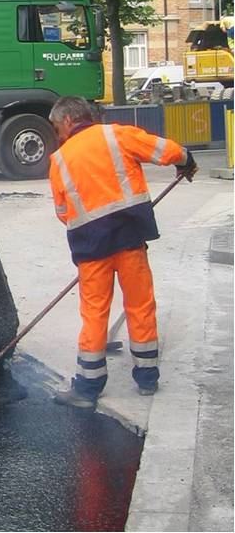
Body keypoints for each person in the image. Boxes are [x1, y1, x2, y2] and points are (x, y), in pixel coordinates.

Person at [47, 96, 197, 409]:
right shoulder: (116, 135)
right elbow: (163, 150)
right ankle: (147, 378)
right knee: (140, 304)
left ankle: (87, 388)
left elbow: (63, 211)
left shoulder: (59, 160)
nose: (57, 134)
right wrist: (185, 158)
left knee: (94, 312)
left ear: (68, 121)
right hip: (130, 237)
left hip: (91, 246)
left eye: (56, 127)